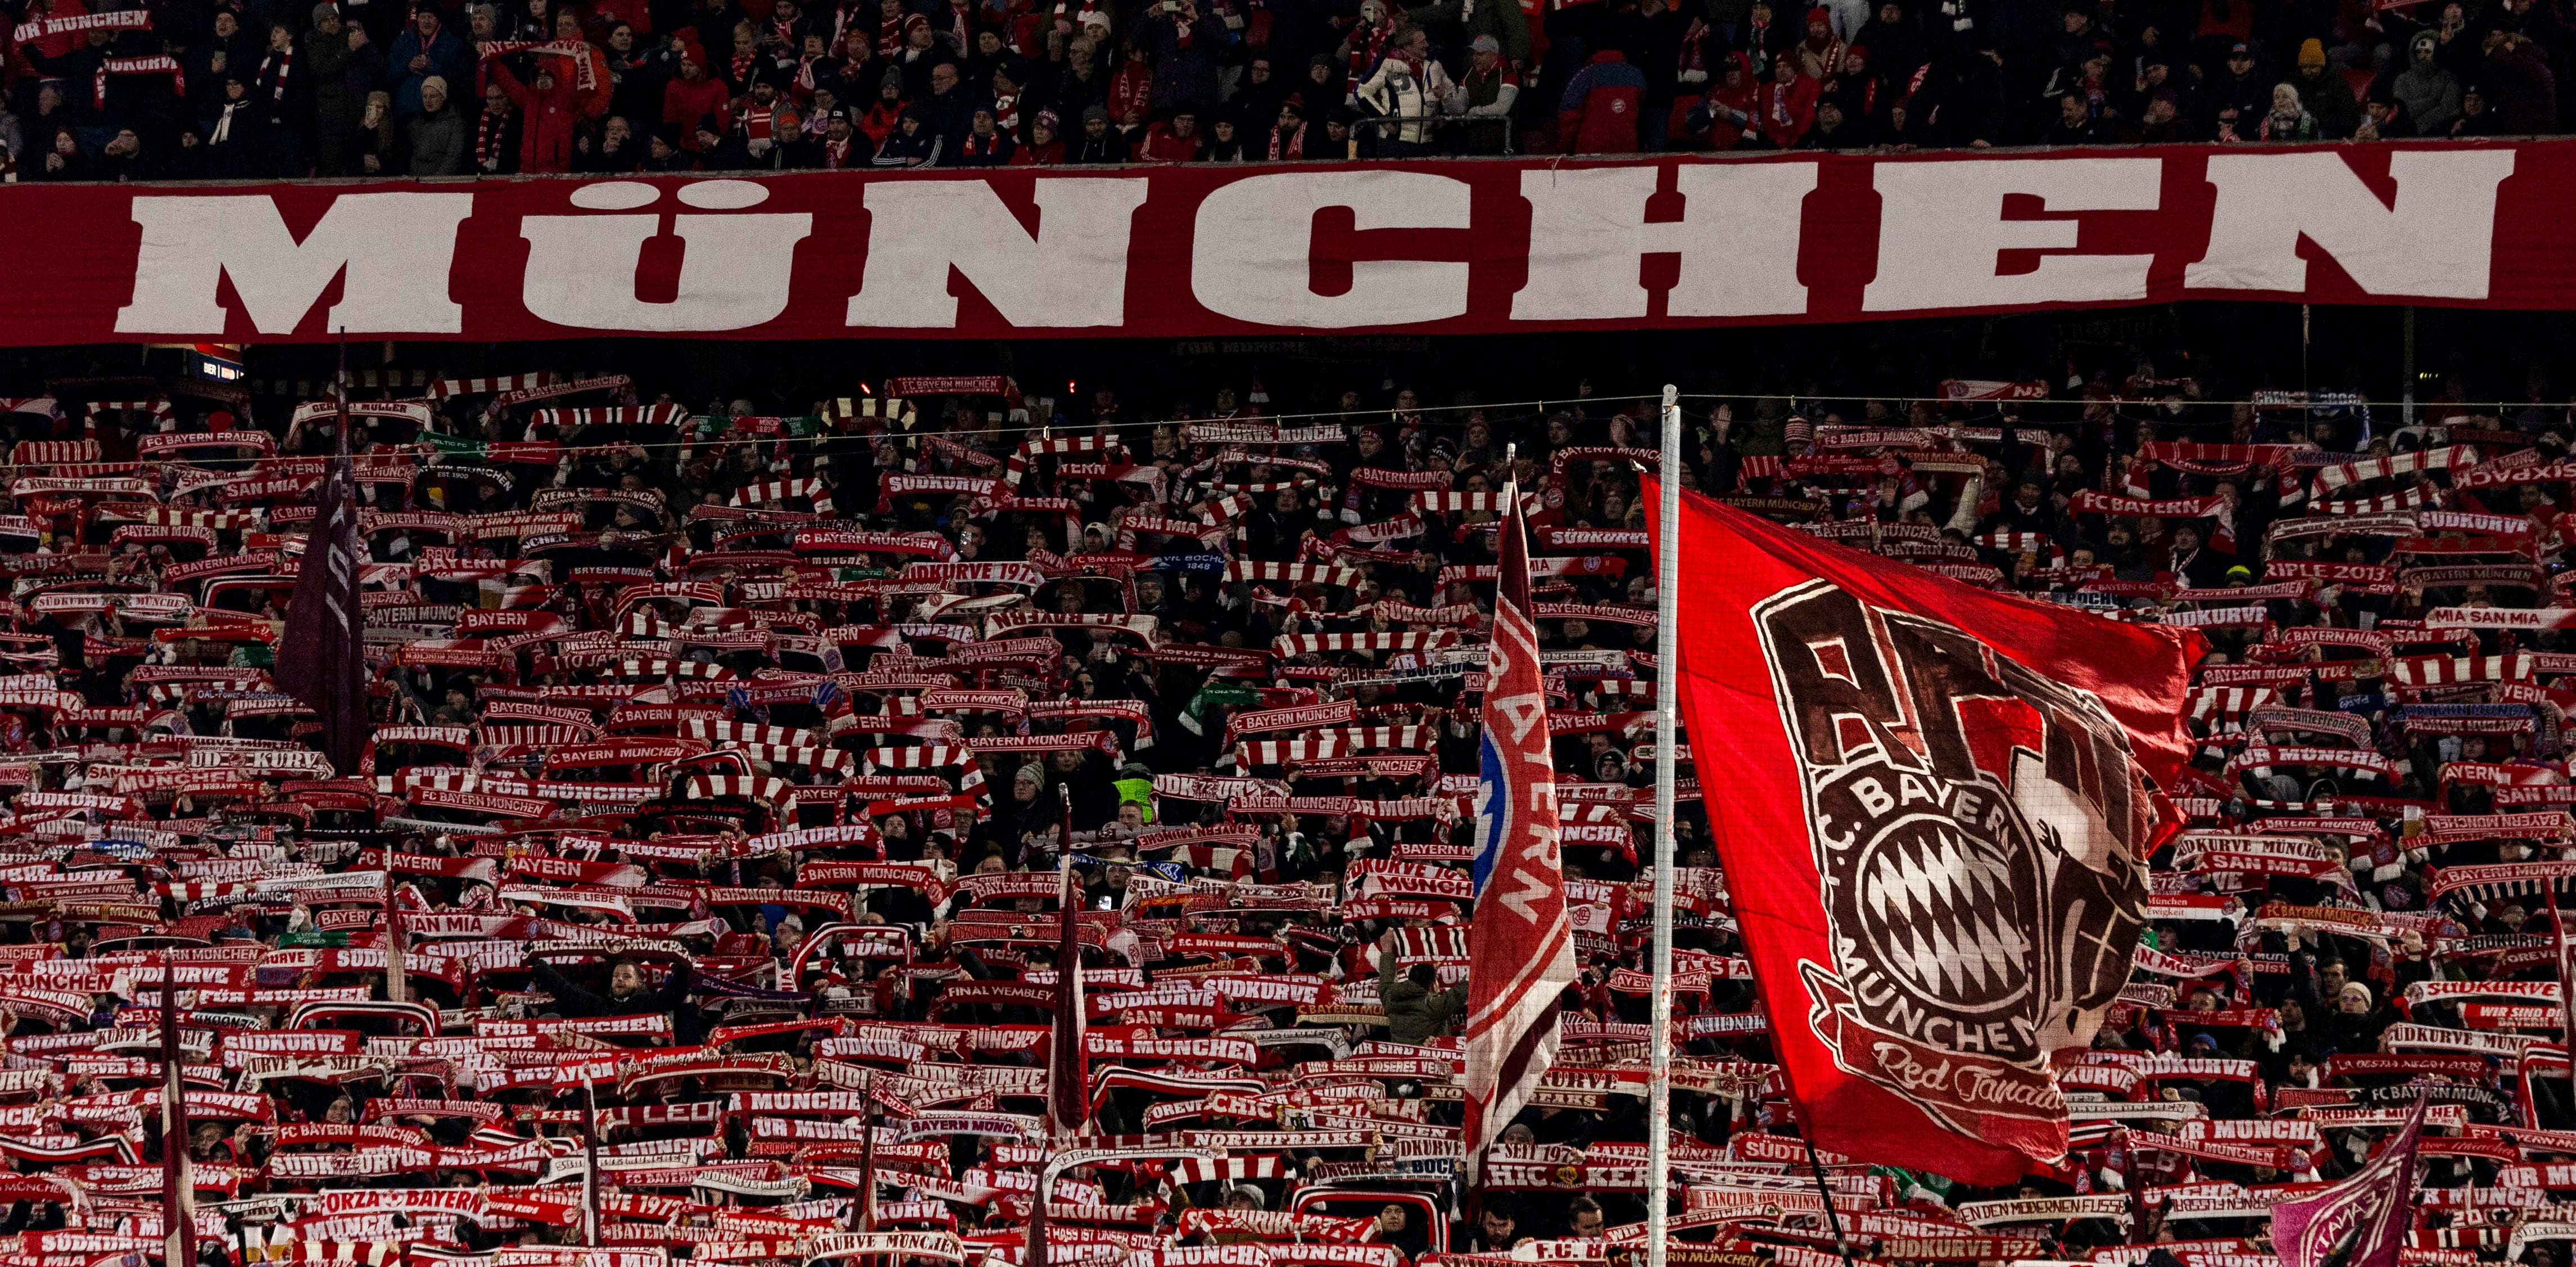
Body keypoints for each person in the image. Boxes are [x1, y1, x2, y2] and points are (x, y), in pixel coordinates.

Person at [407, 75, 469, 174]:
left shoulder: (455, 123)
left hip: (441, 182)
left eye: (433, 96)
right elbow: (414, 157)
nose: (428, 101)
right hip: (418, 181)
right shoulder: (416, 123)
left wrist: (436, 181)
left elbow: (453, 157)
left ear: (443, 97)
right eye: (425, 96)